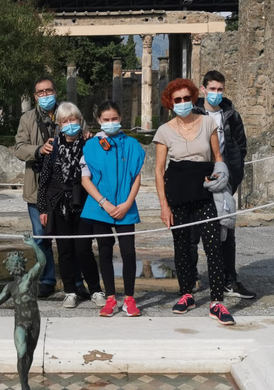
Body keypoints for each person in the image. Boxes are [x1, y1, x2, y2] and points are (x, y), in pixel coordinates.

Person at [153, 78, 236, 325]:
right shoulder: (164, 130)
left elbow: (218, 156)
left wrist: (221, 177)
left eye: (185, 98)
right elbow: (158, 170)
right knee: (182, 247)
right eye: (177, 99)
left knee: (213, 246)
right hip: (177, 194)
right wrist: (164, 205)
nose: (182, 102)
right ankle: (186, 293)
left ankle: (217, 301)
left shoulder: (208, 122)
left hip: (204, 193)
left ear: (192, 98)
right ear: (171, 102)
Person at [13, 76, 92, 300]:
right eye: (41, 92)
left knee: (74, 238)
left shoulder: (70, 112)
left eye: (49, 91)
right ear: (35, 96)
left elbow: (84, 135)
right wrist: (39, 150)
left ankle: (77, 281)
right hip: (38, 187)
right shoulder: (27, 118)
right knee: (41, 236)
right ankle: (47, 279)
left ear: (55, 91)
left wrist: (87, 136)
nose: (46, 95)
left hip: (70, 191)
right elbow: (18, 147)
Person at [188, 70, 255, 299]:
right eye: (212, 89)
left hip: (224, 179)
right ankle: (190, 279)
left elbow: (240, 145)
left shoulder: (231, 115)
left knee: (226, 230)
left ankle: (229, 280)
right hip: (196, 179)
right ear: (203, 89)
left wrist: (232, 174)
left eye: (220, 89)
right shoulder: (192, 113)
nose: (216, 93)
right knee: (192, 230)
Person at [80, 101, 145, 317]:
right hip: (101, 208)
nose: (110, 123)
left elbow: (137, 177)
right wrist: (104, 203)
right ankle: (110, 298)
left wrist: (127, 204)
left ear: (120, 118)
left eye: (114, 118)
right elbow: (85, 179)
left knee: (128, 252)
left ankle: (129, 298)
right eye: (106, 120)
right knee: (105, 252)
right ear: (99, 120)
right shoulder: (89, 146)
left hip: (126, 208)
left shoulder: (133, 145)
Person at [37, 102, 105, 308]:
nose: (70, 124)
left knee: (83, 249)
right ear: (59, 124)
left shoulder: (89, 144)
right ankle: (70, 291)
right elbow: (45, 179)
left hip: (84, 203)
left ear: (79, 120)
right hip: (59, 204)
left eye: (73, 119)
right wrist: (42, 208)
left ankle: (95, 289)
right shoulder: (53, 146)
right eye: (65, 121)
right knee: (65, 250)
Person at [0, 235, 44, 390]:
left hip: (34, 322)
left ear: (22, 264)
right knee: (21, 352)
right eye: (12, 262)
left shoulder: (30, 278)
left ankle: (25, 383)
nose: (15, 265)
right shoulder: (10, 287)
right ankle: (25, 389)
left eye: (17, 261)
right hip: (20, 323)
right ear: (8, 267)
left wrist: (33, 245)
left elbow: (42, 262)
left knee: (29, 356)